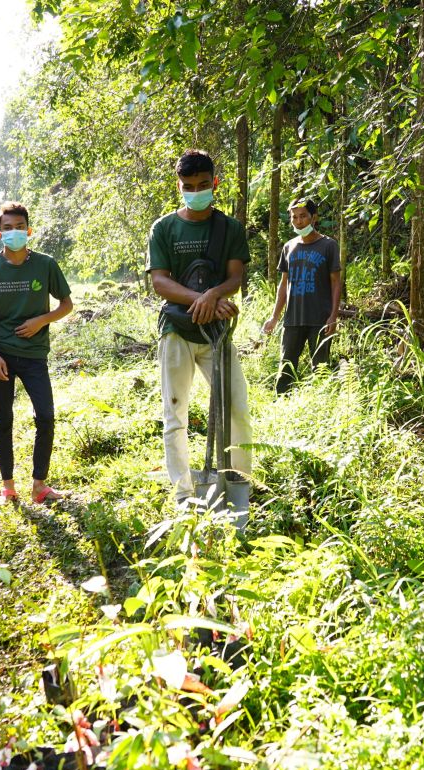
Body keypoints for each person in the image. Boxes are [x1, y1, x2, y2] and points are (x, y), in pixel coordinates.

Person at [147, 149, 253, 504]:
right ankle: (183, 493)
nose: (196, 191)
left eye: (203, 185)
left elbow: (234, 277)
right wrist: (202, 298)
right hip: (176, 330)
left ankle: (238, 485)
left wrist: (215, 295)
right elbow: (160, 282)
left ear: (215, 183)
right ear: (179, 186)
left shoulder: (230, 228)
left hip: (218, 334)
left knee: (236, 409)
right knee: (175, 414)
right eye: (189, 186)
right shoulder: (163, 228)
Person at [0, 201, 74, 504]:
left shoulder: (45, 264)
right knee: (3, 421)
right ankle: (8, 486)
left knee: (46, 415)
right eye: (7, 228)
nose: (14, 233)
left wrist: (41, 319)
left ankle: (39, 485)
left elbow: (66, 305)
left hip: (34, 354)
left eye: (19, 227)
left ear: (28, 230)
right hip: (1, 356)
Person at [262, 197, 341, 394]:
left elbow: (336, 283)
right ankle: (281, 406)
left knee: (320, 369)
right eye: (294, 217)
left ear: (314, 217)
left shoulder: (329, 245)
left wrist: (333, 316)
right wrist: (275, 316)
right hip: (293, 320)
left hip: (320, 319)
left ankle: (321, 406)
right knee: (285, 368)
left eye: (303, 216)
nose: (298, 221)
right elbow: (283, 284)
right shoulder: (289, 247)